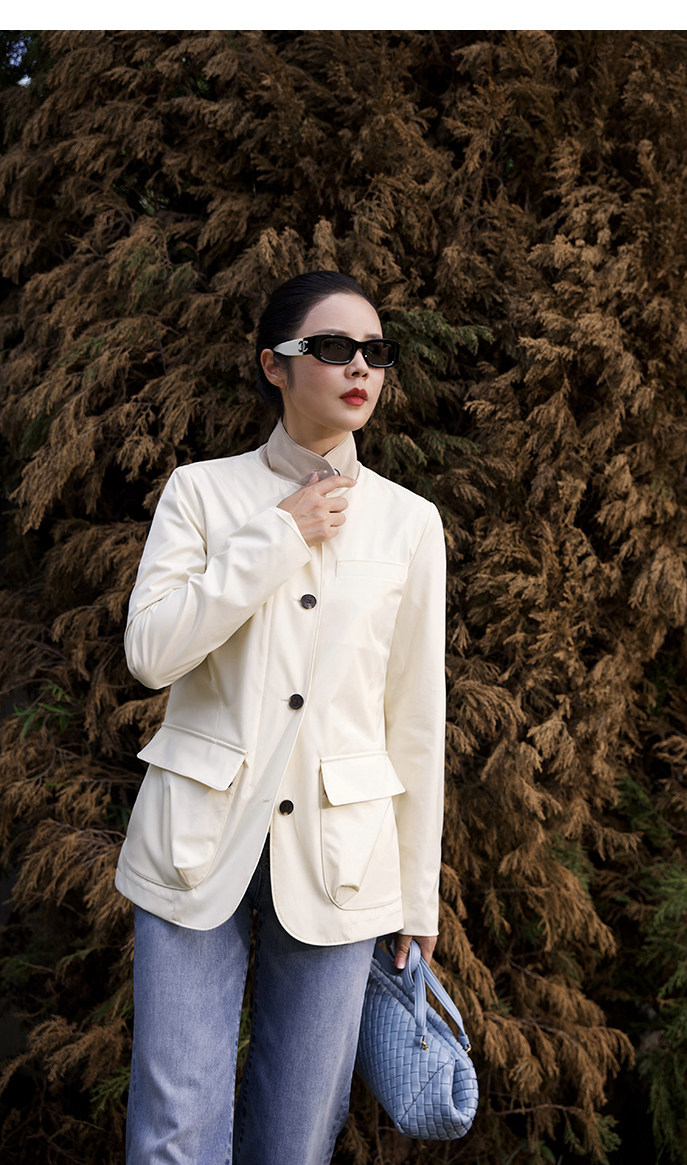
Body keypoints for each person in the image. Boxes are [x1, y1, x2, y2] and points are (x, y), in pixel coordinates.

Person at [115, 271, 446, 1165]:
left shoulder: (410, 524)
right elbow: (151, 652)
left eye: (375, 351)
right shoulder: (201, 494)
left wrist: (418, 894)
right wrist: (281, 532)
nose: (360, 367)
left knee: (298, 1136)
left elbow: (416, 719)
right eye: (332, 347)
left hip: (344, 853)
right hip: (196, 833)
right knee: (174, 1129)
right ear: (274, 365)